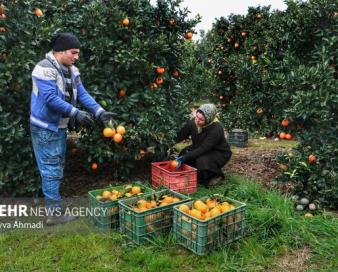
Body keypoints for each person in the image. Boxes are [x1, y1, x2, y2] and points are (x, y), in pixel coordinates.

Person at [30, 32, 115, 225]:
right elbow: (51, 99)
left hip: (58, 126)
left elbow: (83, 94)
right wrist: (76, 113)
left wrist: (100, 112)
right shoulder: (43, 69)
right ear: (60, 51)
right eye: (73, 52)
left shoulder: (72, 70)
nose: (77, 57)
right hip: (45, 127)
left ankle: (54, 209)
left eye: (78, 53)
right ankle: (54, 214)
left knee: (56, 167)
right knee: (51, 169)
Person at [175, 103, 232, 187]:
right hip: (200, 146)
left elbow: (204, 148)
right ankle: (199, 173)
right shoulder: (194, 122)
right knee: (184, 153)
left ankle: (215, 175)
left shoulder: (216, 129)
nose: (197, 120)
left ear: (208, 120)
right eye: (197, 117)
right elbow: (181, 135)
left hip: (218, 152)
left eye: (201, 119)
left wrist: (186, 157)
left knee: (202, 160)